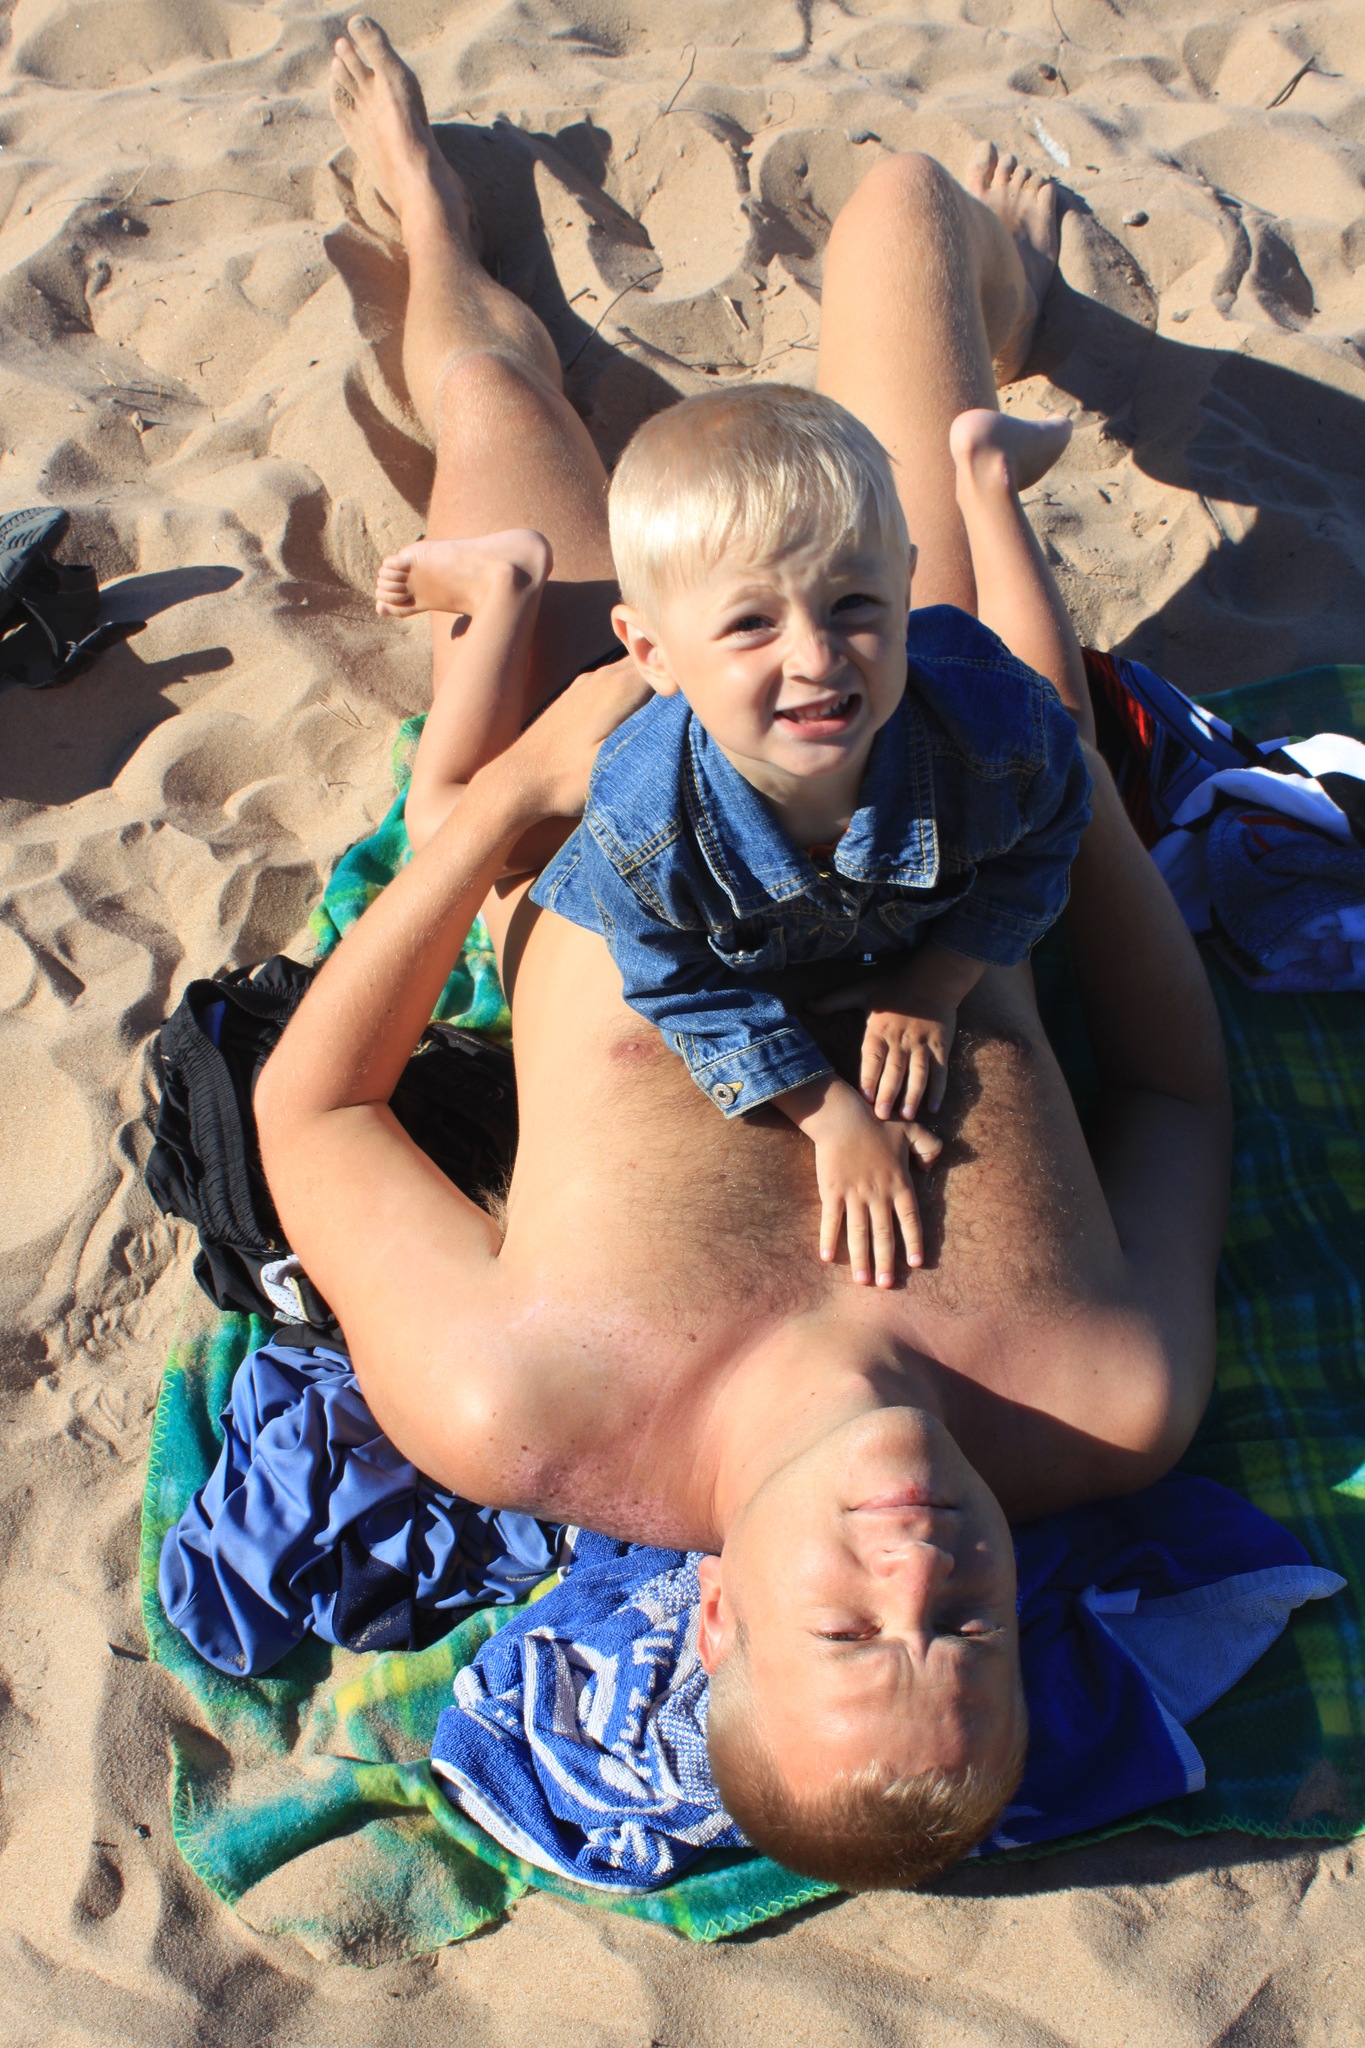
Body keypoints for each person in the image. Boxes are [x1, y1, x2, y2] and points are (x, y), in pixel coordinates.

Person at [254, 17, 1231, 1889]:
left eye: (849, 1632)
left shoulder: (521, 1404)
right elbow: (1181, 1082)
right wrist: (1044, 757)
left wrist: (511, 791)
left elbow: (314, 1111)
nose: (919, 1570)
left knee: (495, 389)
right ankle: (1008, 291)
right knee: (898, 212)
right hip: (883, 720)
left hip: (600, 756)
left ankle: (431, 213)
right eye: (972, 1627)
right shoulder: (1106, 1387)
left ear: (714, 1618)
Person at [373, 387, 1091, 1288]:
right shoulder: (641, 825)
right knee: (450, 820)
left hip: (769, 707)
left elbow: (1046, 835)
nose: (816, 657)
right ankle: (503, 587)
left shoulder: (991, 731)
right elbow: (678, 984)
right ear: (649, 651)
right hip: (646, 744)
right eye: (755, 621)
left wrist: (934, 983)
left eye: (853, 603)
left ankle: (986, 477)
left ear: (905, 587)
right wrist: (826, 1112)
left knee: (1067, 733)